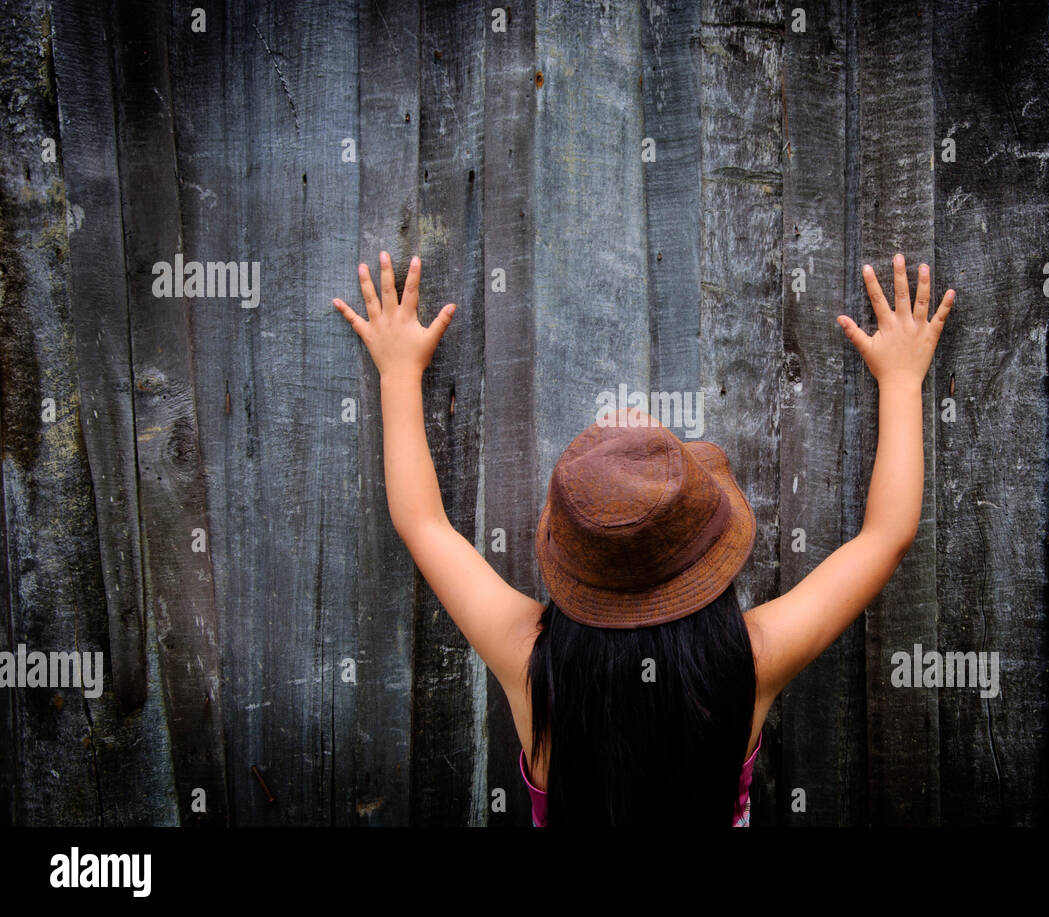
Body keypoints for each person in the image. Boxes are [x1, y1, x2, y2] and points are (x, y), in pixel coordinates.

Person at [333, 251, 955, 826]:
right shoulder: (751, 664)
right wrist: (901, 382)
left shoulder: (532, 668)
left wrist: (398, 371)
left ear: (574, 561)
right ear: (708, 556)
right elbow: (887, 537)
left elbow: (423, 524)